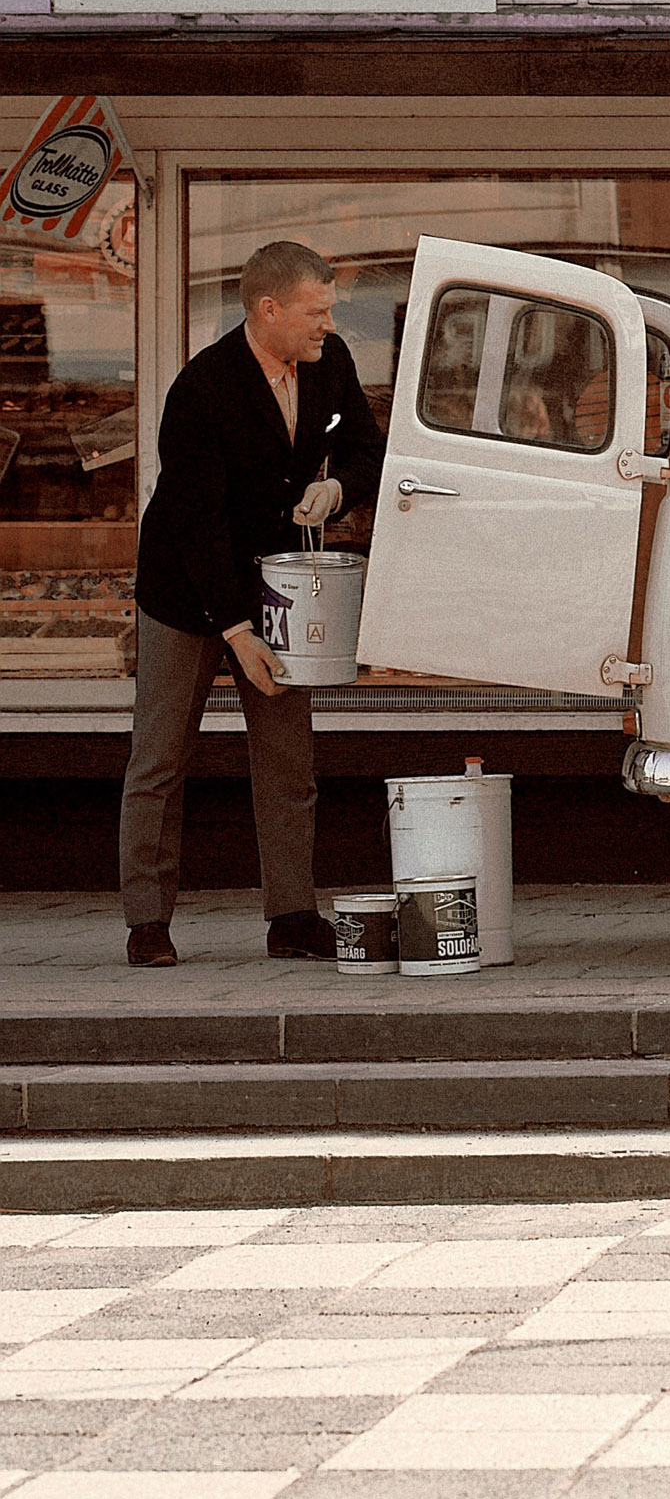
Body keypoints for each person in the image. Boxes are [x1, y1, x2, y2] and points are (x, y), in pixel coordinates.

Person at [118, 241, 381, 967]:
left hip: (277, 589)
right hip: (186, 590)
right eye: (316, 311)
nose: (329, 323)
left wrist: (336, 488)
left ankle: (292, 917)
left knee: (288, 761)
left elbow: (367, 449)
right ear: (269, 310)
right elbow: (196, 524)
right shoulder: (201, 387)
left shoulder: (330, 362)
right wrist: (236, 630)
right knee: (159, 759)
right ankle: (147, 922)